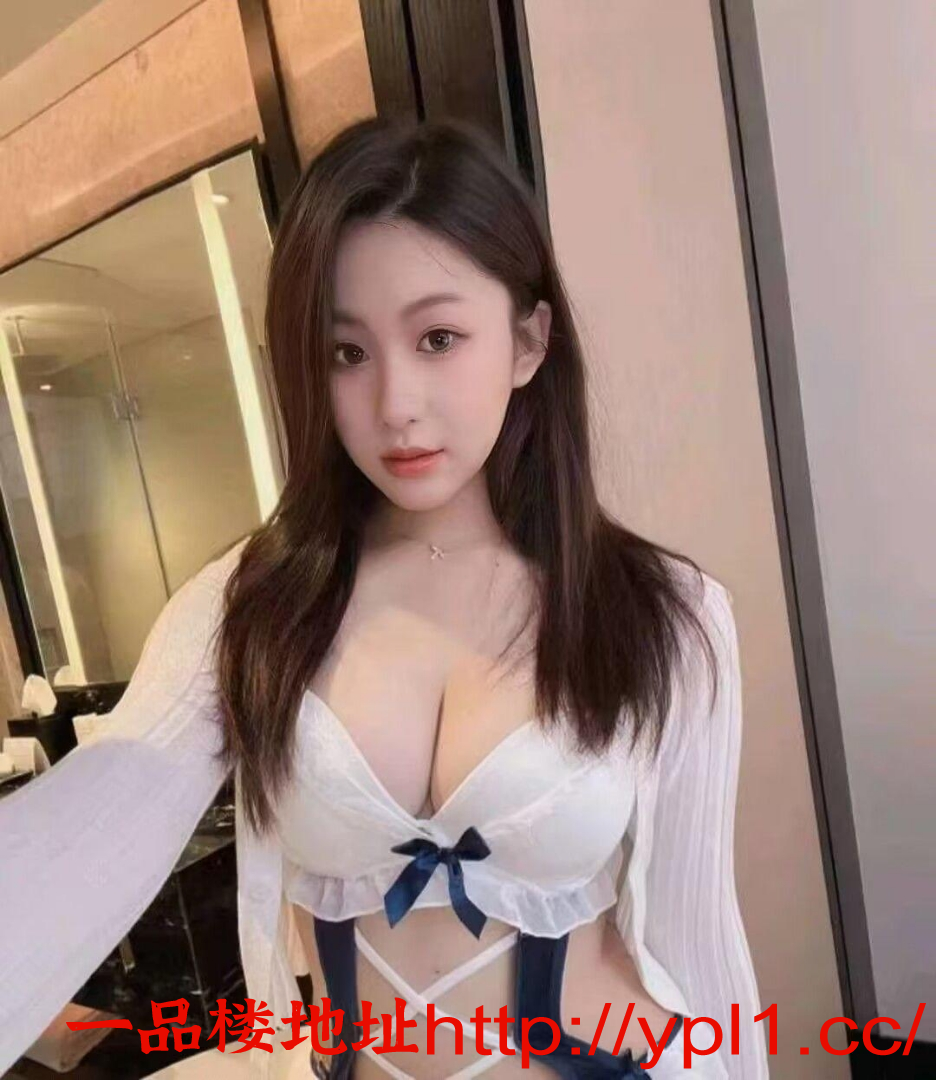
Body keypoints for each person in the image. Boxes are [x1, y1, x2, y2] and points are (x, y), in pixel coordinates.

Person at [0, 117, 769, 1080]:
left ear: (528, 342)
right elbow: (92, 826)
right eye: (346, 353)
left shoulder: (666, 613)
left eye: (439, 338)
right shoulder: (250, 607)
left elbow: (701, 936)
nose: (395, 403)